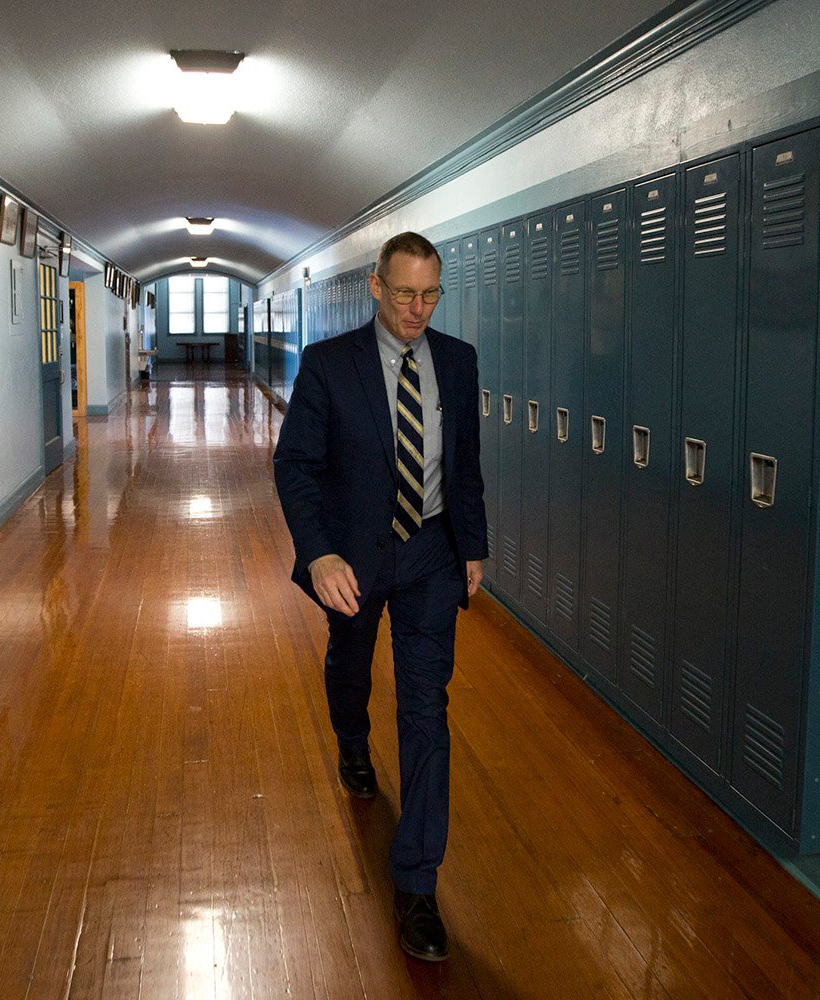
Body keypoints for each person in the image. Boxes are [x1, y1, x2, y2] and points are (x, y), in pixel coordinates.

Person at [273, 231, 487, 961]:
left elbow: (466, 465)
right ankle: (352, 740)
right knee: (352, 665)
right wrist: (320, 550)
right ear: (375, 285)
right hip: (354, 558)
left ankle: (418, 884)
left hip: (430, 551)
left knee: (427, 709)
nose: (417, 309)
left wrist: (474, 546)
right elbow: (295, 466)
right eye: (404, 293)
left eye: (430, 294)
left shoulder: (457, 362)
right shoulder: (329, 365)